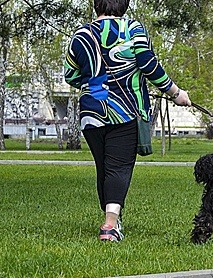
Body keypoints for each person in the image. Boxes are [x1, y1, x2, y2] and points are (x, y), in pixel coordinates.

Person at [64, 0, 191, 242]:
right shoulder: (132, 29)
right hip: (125, 112)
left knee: (104, 167)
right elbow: (148, 64)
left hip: (91, 113)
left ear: (96, 4)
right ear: (124, 4)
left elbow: (70, 75)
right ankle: (109, 226)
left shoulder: (81, 34)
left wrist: (95, 81)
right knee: (118, 167)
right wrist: (175, 93)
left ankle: (111, 218)